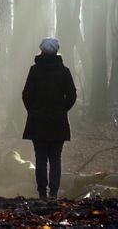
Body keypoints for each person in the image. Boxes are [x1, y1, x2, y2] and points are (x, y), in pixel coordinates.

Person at [22, 37, 77, 199]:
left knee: (40, 157)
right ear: (56, 51)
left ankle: (42, 193)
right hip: (57, 121)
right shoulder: (64, 71)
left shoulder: (35, 70)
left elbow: (26, 95)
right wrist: (62, 109)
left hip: (37, 120)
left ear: (41, 50)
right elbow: (72, 95)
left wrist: (32, 110)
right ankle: (54, 192)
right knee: (55, 158)